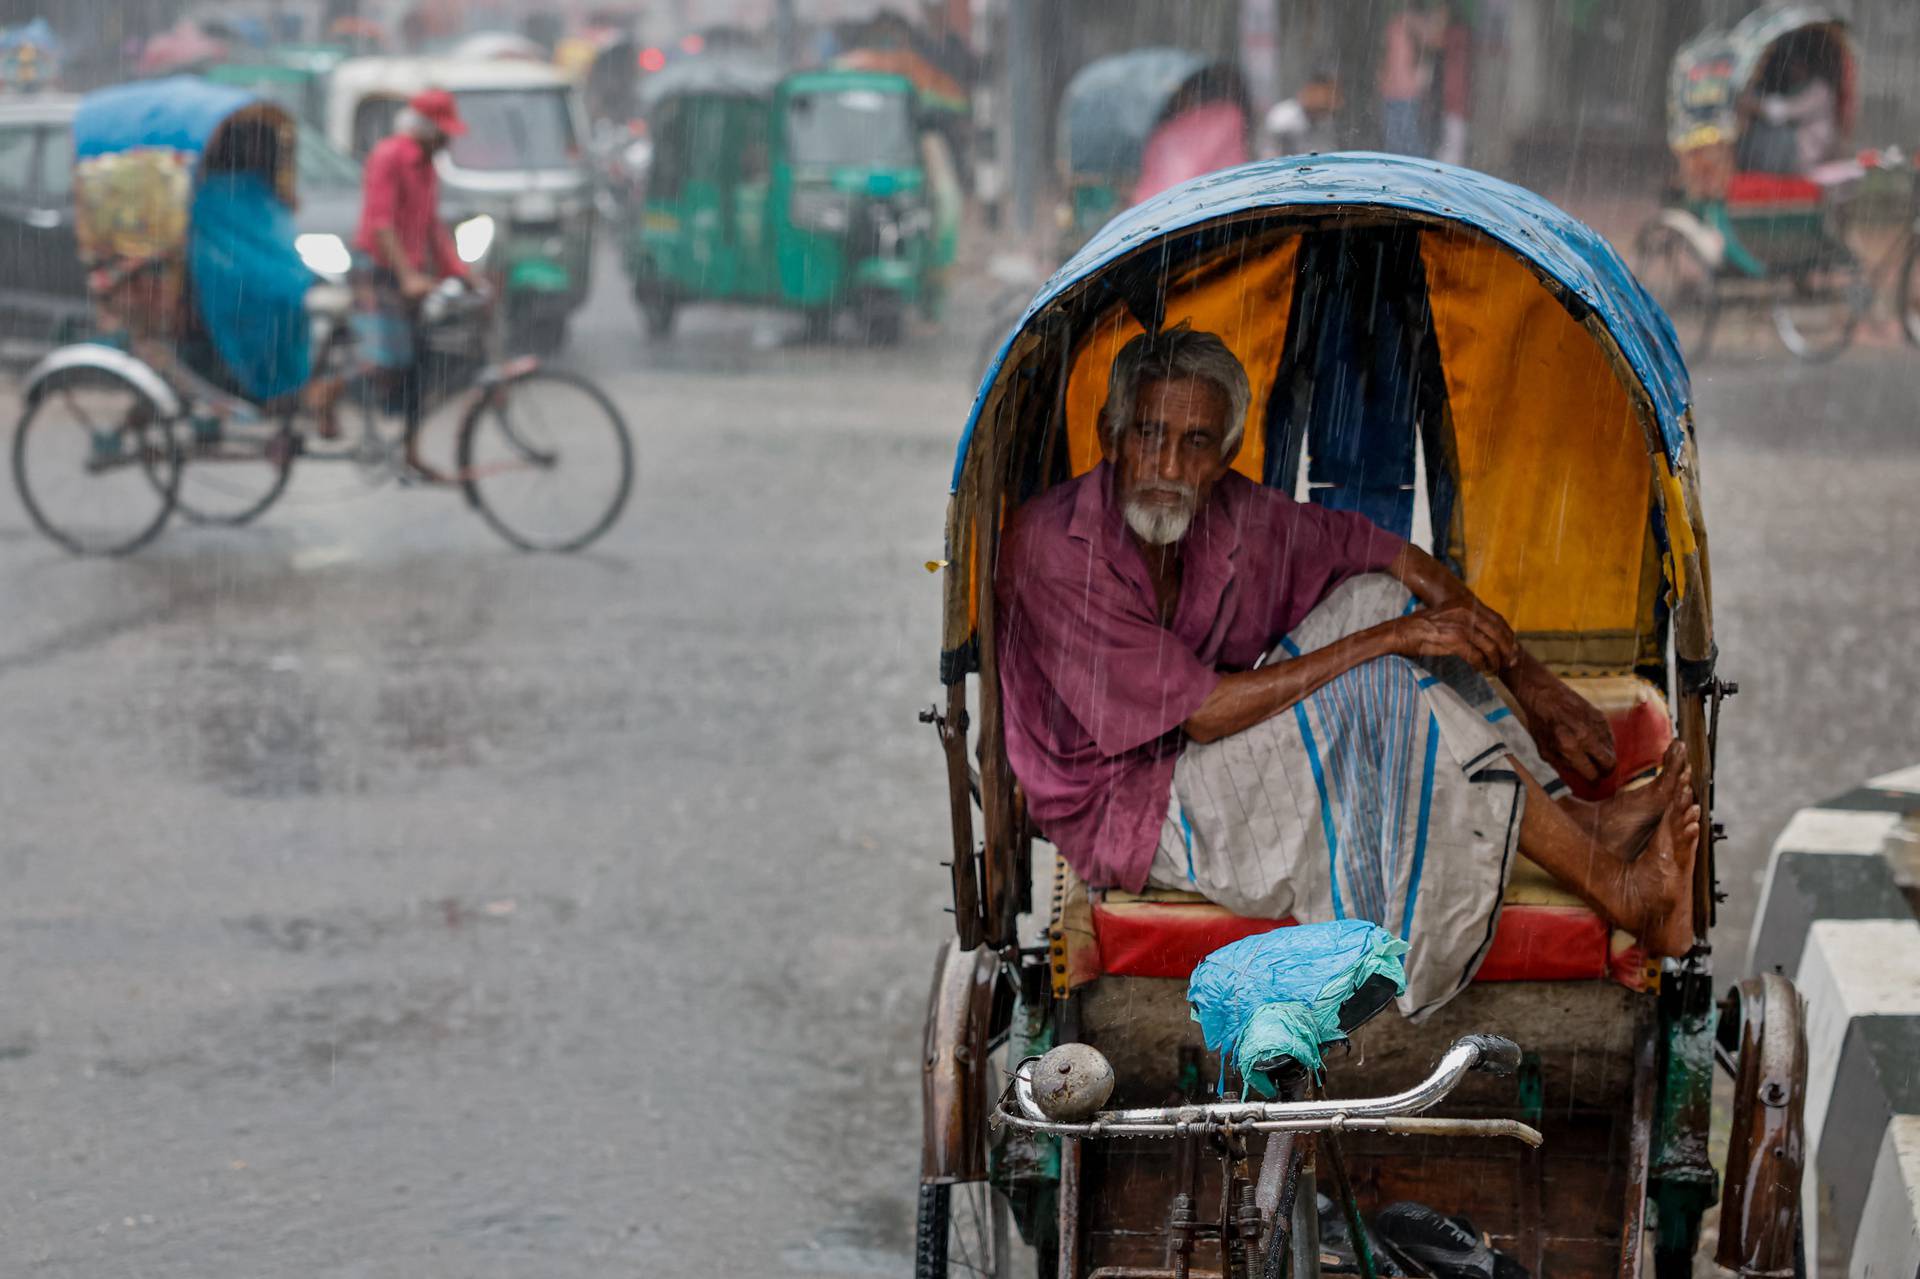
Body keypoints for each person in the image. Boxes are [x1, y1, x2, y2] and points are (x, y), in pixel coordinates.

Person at [996, 325, 1699, 1015]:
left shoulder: (1231, 513)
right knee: (1383, 677)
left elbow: (1397, 559)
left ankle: (1574, 820)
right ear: (1110, 436)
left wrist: (1530, 681)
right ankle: (1623, 890)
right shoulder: (1054, 549)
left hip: (1196, 752)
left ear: (1228, 453)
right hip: (1129, 810)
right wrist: (1393, 640)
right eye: (1150, 435)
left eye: (1197, 442)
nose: (1170, 467)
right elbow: (1205, 712)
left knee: (1375, 597)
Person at [349, 88, 473, 474]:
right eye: (443, 132)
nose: (447, 141)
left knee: (420, 366)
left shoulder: (425, 166)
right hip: (382, 271)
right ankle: (327, 393)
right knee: (384, 360)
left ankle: (410, 452)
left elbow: (431, 226)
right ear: (428, 130)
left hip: (410, 274)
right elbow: (382, 224)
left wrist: (461, 273)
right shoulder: (389, 156)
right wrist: (407, 277)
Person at [1740, 43, 1837, 176]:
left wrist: (1752, 103)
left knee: (1769, 134)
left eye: (1795, 65)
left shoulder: (1819, 90)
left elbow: (1781, 112)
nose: (1792, 70)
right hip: (1797, 148)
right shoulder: (1797, 86)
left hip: (1808, 153)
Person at [1377, 1, 1438, 157]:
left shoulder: (1408, 25)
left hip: (1404, 91)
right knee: (1400, 138)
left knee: (1404, 138)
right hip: (1398, 90)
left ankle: (1410, 173)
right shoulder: (1399, 24)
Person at [1262, 72, 1340, 158]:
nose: (1331, 100)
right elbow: (1271, 154)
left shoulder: (1324, 121)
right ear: (1310, 91)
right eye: (1326, 94)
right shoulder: (1284, 117)